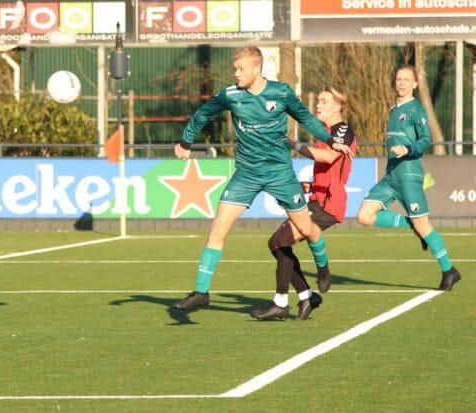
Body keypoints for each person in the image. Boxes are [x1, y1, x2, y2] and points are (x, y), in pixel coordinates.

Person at [172, 46, 354, 312]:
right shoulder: (231, 95)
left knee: (307, 229)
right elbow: (202, 114)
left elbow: (305, 118)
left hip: (280, 173)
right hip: (246, 174)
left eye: (241, 69)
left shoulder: (280, 92)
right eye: (235, 68)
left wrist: (329, 140)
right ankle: (201, 292)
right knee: (217, 229)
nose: (236, 73)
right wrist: (185, 141)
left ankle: (322, 265)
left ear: (257, 69)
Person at [250, 86, 357, 321]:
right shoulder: (325, 132)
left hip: (330, 203)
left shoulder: (343, 130)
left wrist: (293, 143)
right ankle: (307, 296)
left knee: (281, 241)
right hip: (317, 198)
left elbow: (329, 157)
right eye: (318, 101)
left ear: (339, 106)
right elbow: (328, 169)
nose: (318, 105)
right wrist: (312, 184)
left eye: (324, 101)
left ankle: (289, 295)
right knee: (276, 243)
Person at [357, 64, 460, 291]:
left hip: (409, 176)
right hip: (391, 177)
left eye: (406, 79)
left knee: (423, 224)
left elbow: (426, 140)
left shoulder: (415, 109)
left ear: (414, 84)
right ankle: (410, 224)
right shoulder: (393, 110)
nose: (401, 83)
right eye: (398, 79)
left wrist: (408, 149)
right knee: (364, 216)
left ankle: (449, 270)